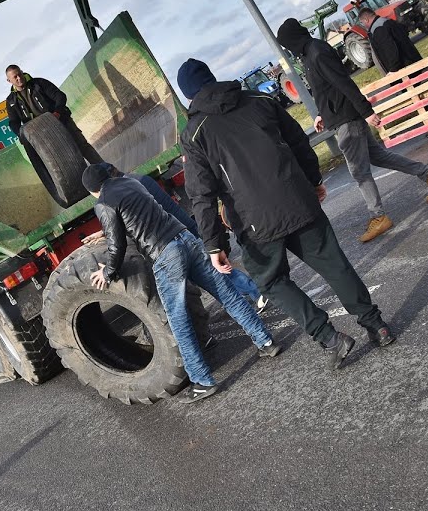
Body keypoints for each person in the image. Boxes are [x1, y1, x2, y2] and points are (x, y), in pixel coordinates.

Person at [175, 58, 398, 369]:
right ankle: (377, 325)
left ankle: (330, 338)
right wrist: (314, 181)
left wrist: (215, 245)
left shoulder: (195, 134)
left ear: (188, 95)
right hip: (298, 199)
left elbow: (202, 194)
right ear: (213, 77)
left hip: (256, 223)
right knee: (335, 265)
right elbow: (298, 142)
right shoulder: (260, 99)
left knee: (271, 281)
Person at [83, 163, 282, 404]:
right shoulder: (131, 183)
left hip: (165, 253)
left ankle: (203, 380)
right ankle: (266, 342)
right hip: (185, 238)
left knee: (178, 320)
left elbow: (118, 244)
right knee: (228, 295)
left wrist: (108, 272)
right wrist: (104, 232)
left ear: (92, 190)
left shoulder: (103, 203)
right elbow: (140, 216)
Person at [276, 20, 428, 243]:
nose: (288, 50)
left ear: (292, 40)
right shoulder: (308, 55)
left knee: (359, 172)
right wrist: (321, 114)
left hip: (348, 119)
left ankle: (379, 216)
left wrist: (366, 112)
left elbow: (344, 83)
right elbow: (324, 90)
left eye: (287, 45)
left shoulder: (317, 52)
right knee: (379, 156)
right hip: (340, 117)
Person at [100, 162, 268, 317]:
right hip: (181, 227)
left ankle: (256, 292)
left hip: (178, 232)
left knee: (215, 269)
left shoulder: (129, 186)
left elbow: (135, 219)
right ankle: (246, 295)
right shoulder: (137, 179)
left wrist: (107, 231)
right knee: (213, 268)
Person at [4, 64, 105, 187]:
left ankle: (106, 171)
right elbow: (13, 122)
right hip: (43, 135)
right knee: (67, 159)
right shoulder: (11, 101)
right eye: (15, 77)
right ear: (9, 81)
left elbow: (60, 96)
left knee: (82, 146)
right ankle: (86, 185)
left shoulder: (39, 83)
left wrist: (57, 112)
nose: (19, 78)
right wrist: (21, 133)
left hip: (61, 122)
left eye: (19, 74)